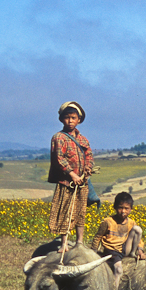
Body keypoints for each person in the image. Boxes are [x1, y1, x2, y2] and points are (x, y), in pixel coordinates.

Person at [48, 101, 94, 254]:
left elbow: (89, 155)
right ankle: (64, 243)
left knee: (80, 211)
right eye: (67, 118)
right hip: (66, 182)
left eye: (73, 118)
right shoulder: (59, 138)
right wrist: (72, 174)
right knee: (65, 211)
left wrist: (87, 169)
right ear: (61, 119)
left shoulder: (83, 140)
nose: (70, 121)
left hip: (82, 183)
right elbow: (59, 159)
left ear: (79, 120)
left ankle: (80, 242)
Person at [92, 192, 145, 290]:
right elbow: (98, 236)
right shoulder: (108, 221)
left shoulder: (131, 222)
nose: (123, 211)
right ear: (115, 207)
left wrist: (140, 250)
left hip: (124, 249)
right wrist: (94, 252)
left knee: (138, 229)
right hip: (112, 250)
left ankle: (132, 253)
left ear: (131, 209)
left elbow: (139, 239)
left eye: (126, 208)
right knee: (118, 270)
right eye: (120, 208)